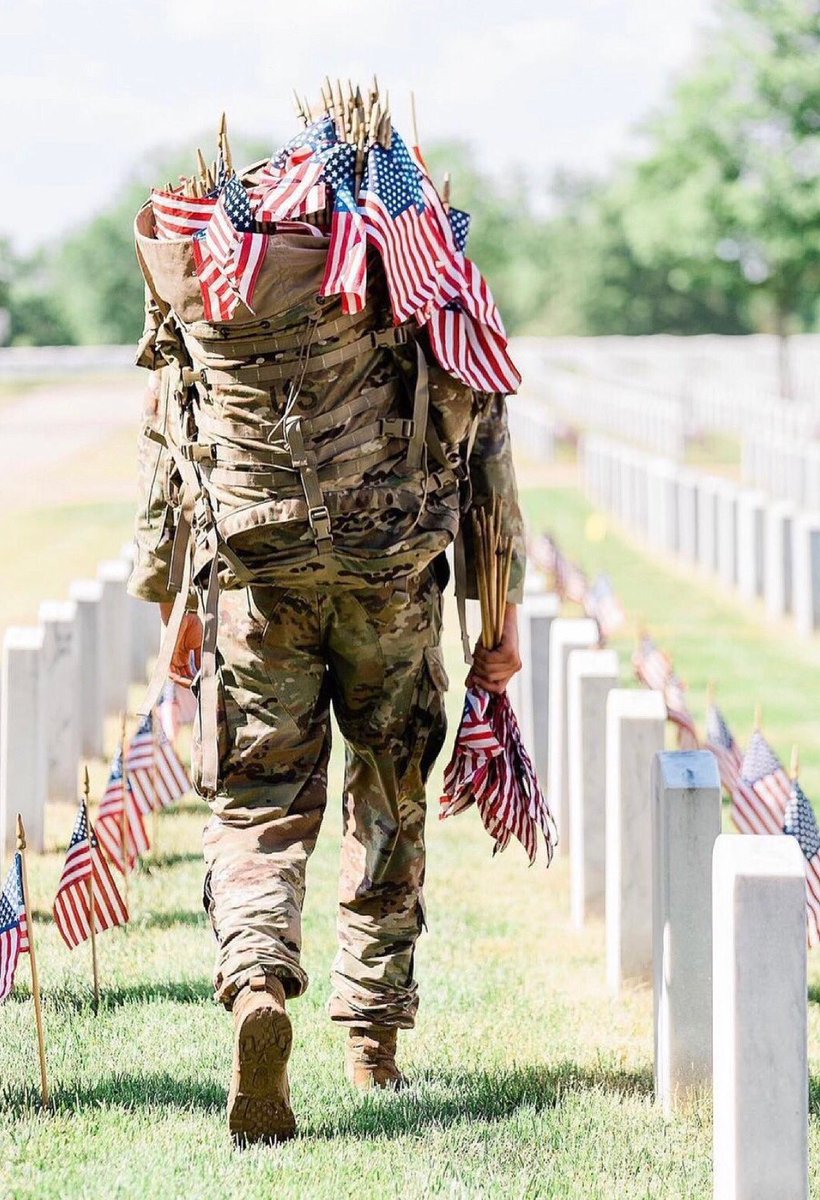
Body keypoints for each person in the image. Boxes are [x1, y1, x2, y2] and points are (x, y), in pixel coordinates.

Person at [128, 186, 525, 1145]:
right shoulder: (416, 277)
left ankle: (258, 982)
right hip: (391, 580)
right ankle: (372, 1041)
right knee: (388, 794)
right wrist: (498, 621)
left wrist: (174, 600)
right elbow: (486, 456)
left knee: (258, 801)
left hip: (258, 578)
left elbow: (170, 444)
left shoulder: (214, 286)